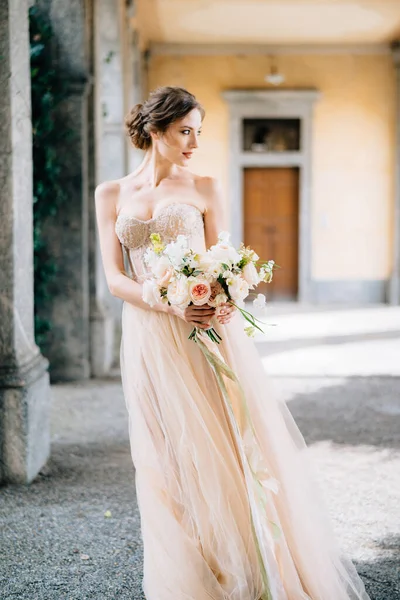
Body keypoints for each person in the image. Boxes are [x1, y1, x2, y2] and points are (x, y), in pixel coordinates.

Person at [95, 86, 370, 600]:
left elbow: (225, 260)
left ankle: (250, 568)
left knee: (226, 448)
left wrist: (221, 295)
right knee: (164, 457)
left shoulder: (205, 186)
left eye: (200, 131)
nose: (195, 141)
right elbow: (114, 278)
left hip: (205, 333)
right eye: (185, 131)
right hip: (150, 337)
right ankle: (192, 574)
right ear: (156, 131)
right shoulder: (110, 194)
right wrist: (167, 301)